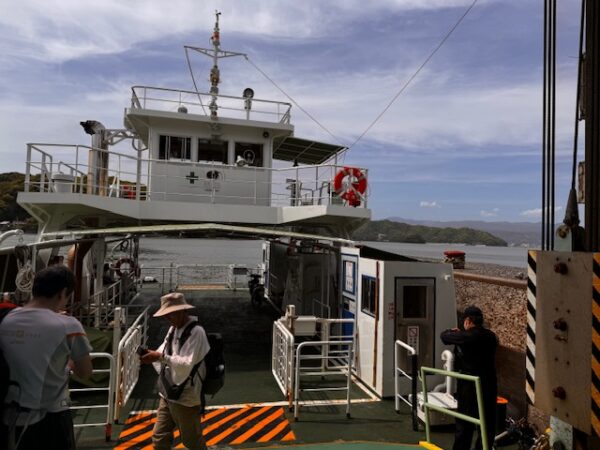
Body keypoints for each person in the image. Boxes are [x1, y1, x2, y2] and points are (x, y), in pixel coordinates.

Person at [0, 266, 93, 450]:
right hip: (51, 419)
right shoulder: (69, 325)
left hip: (8, 415)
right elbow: (85, 372)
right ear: (63, 293)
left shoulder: (5, 318)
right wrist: (66, 361)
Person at [140, 292, 210, 450]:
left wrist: (159, 357)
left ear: (182, 311)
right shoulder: (173, 329)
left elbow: (186, 364)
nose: (168, 318)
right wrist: (152, 355)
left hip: (186, 397)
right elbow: (163, 351)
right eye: (166, 315)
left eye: (171, 314)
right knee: (159, 437)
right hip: (168, 392)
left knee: (192, 442)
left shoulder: (197, 332)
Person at [441, 305, 498, 450]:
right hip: (489, 383)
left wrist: (454, 332)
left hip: (469, 385)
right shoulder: (491, 336)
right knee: (487, 423)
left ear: (468, 320)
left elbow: (444, 336)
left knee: (464, 423)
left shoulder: (466, 336)